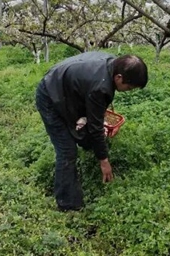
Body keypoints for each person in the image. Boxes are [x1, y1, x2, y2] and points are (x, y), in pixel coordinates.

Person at [35, 52, 148, 211]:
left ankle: (87, 157)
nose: (128, 91)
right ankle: (67, 204)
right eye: (129, 87)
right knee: (67, 150)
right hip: (49, 94)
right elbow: (95, 128)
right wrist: (104, 161)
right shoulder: (100, 87)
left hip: (65, 89)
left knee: (83, 131)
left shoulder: (112, 64)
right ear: (119, 77)